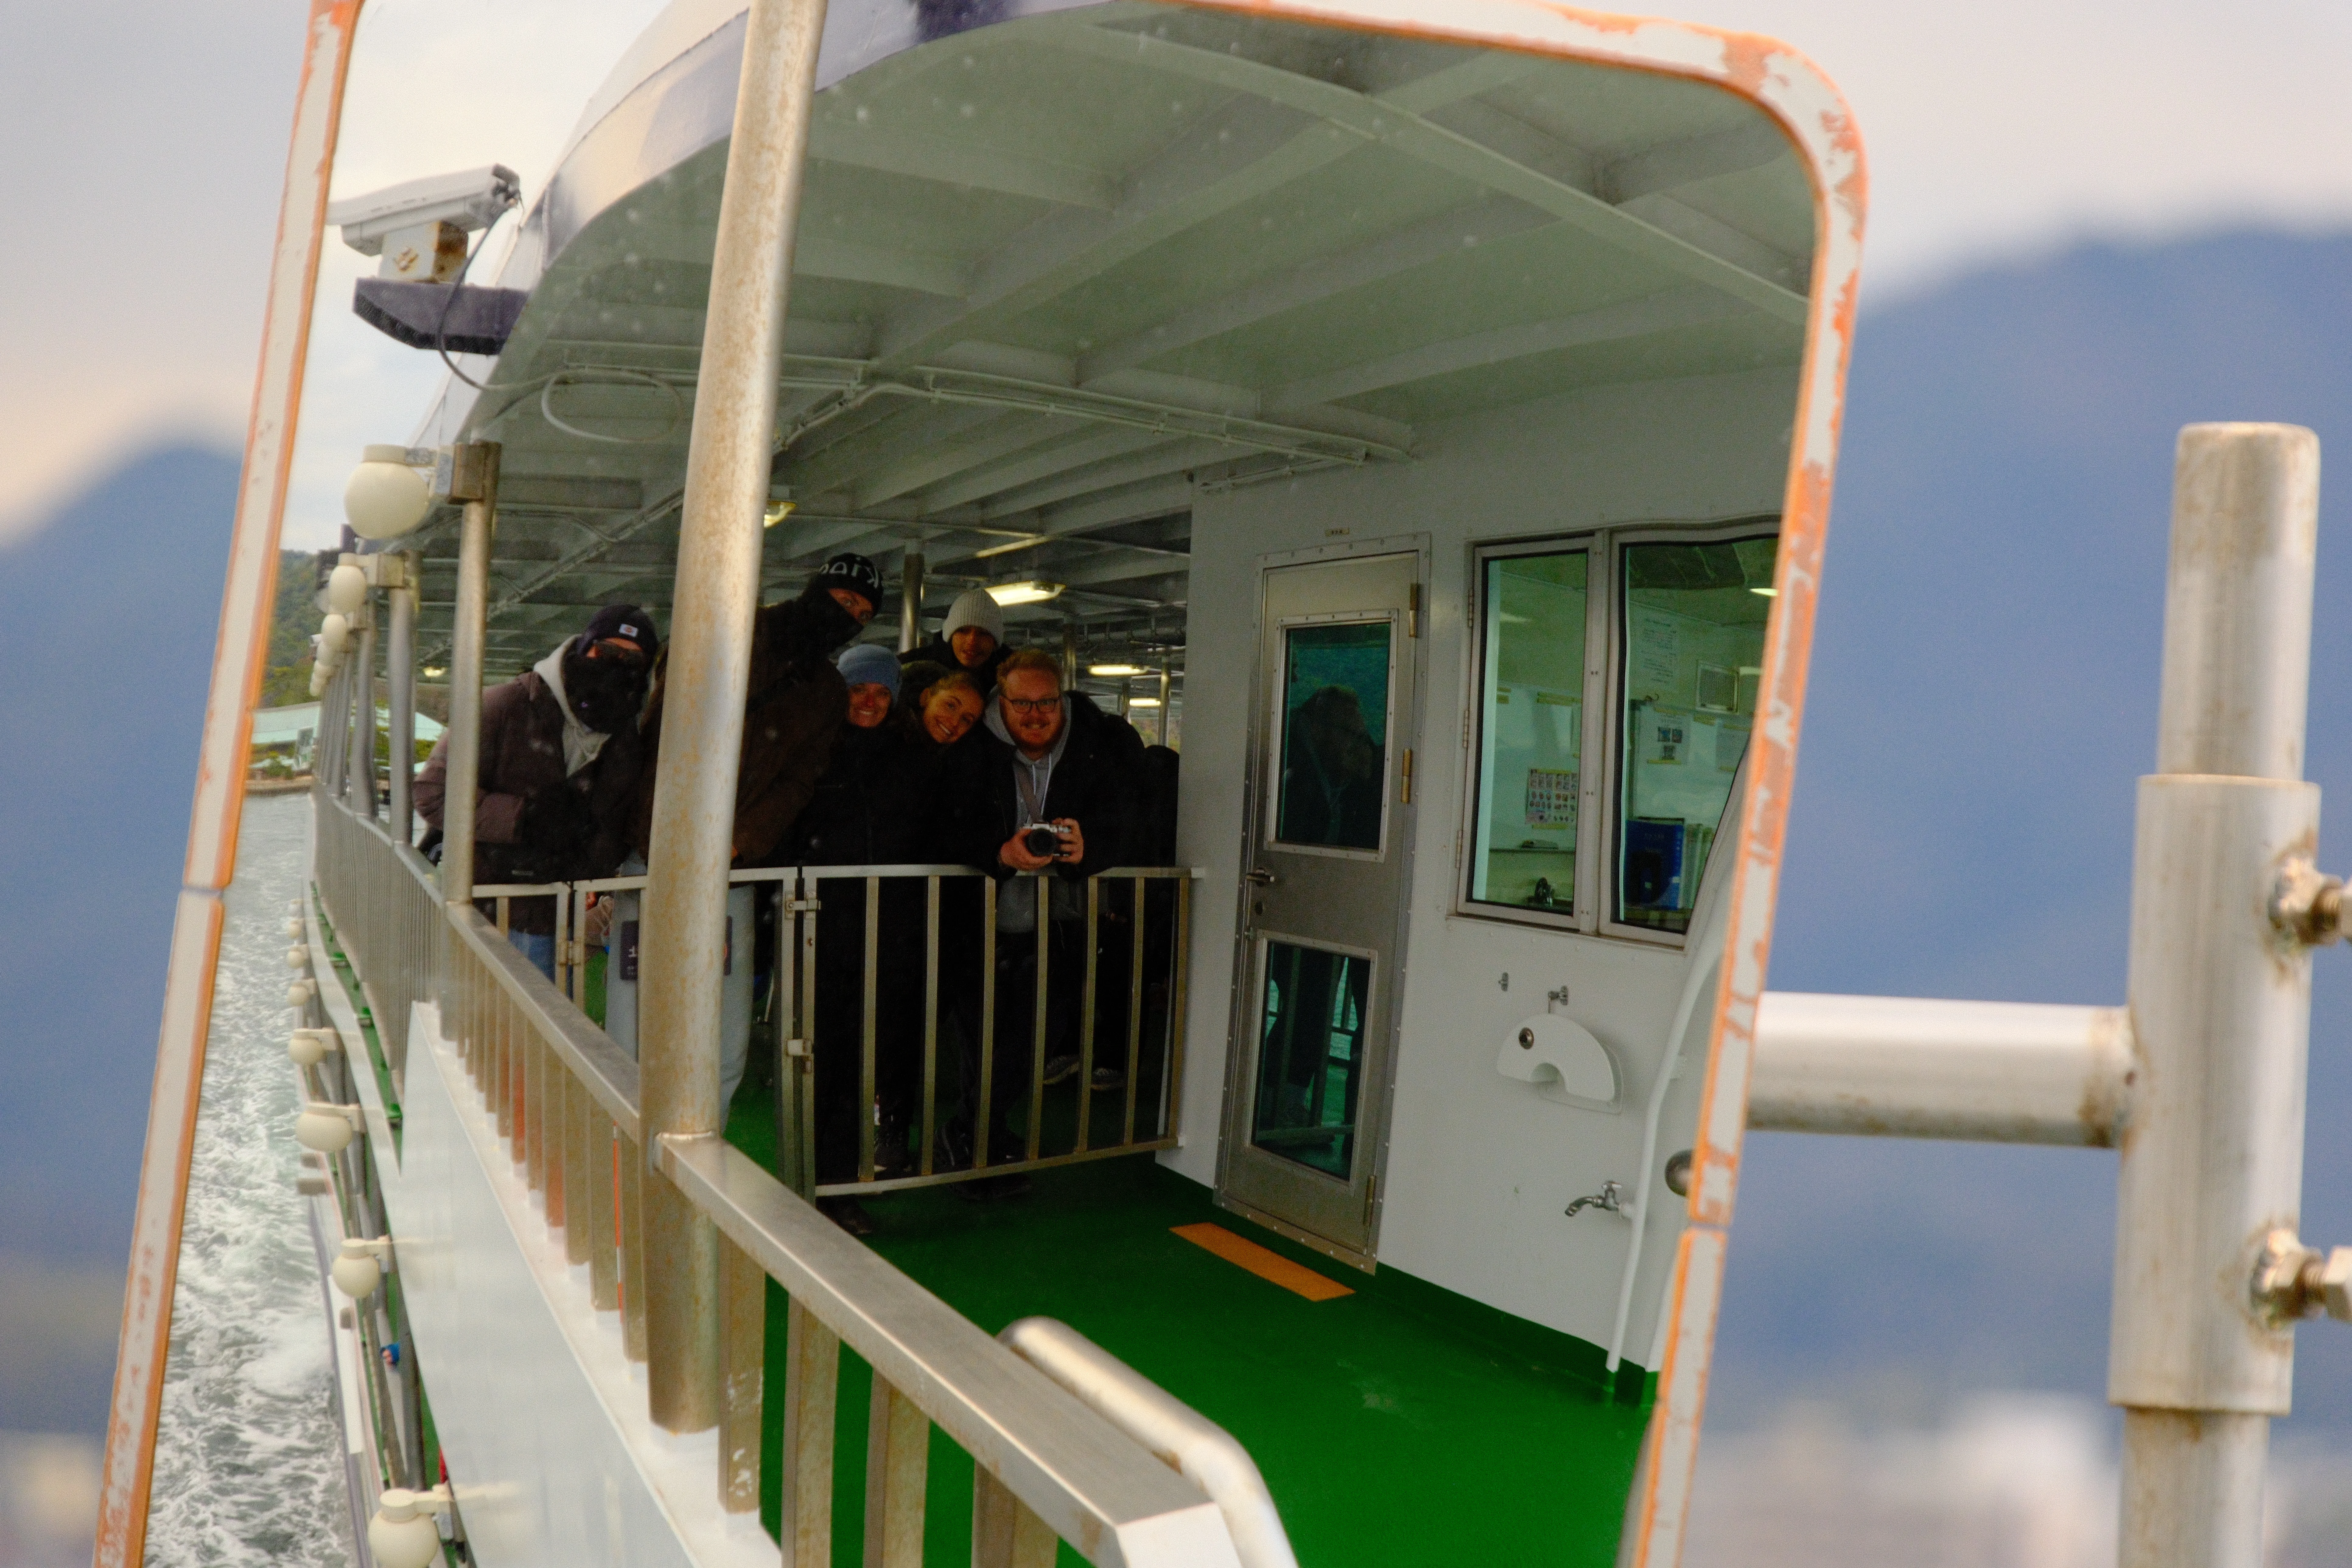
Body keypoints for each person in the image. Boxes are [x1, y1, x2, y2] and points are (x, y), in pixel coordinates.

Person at [945, 647, 1134, 1198]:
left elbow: (1124, 816)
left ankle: (969, 1135)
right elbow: (945, 825)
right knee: (982, 1042)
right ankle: (979, 1146)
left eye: (1046, 702)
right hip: (975, 923)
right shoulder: (967, 753)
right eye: (1021, 703)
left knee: (1037, 1041)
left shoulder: (1097, 749)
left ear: (1063, 700)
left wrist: (1087, 847)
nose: (1034, 714)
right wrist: (998, 853)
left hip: (1058, 924)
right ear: (1000, 703)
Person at [415, 605, 656, 978]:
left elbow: (617, 820)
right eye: (607, 653)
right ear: (584, 649)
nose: (618, 668)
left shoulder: (624, 739)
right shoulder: (504, 706)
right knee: (491, 1022)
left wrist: (588, 855)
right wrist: (525, 818)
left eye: (633, 662)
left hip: (561, 914)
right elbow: (434, 792)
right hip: (487, 908)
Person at [631, 552, 880, 866]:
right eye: (846, 602)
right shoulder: (728, 632)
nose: (851, 618)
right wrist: (657, 824)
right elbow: (662, 732)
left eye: (863, 616)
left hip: (728, 863)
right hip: (656, 837)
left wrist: (739, 842)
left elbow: (798, 779)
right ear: (819, 591)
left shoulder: (828, 691)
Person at [900, 587, 1010, 695]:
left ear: (995, 642)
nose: (972, 641)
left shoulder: (1014, 676)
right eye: (963, 631)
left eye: (984, 634)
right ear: (951, 635)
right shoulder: (911, 668)